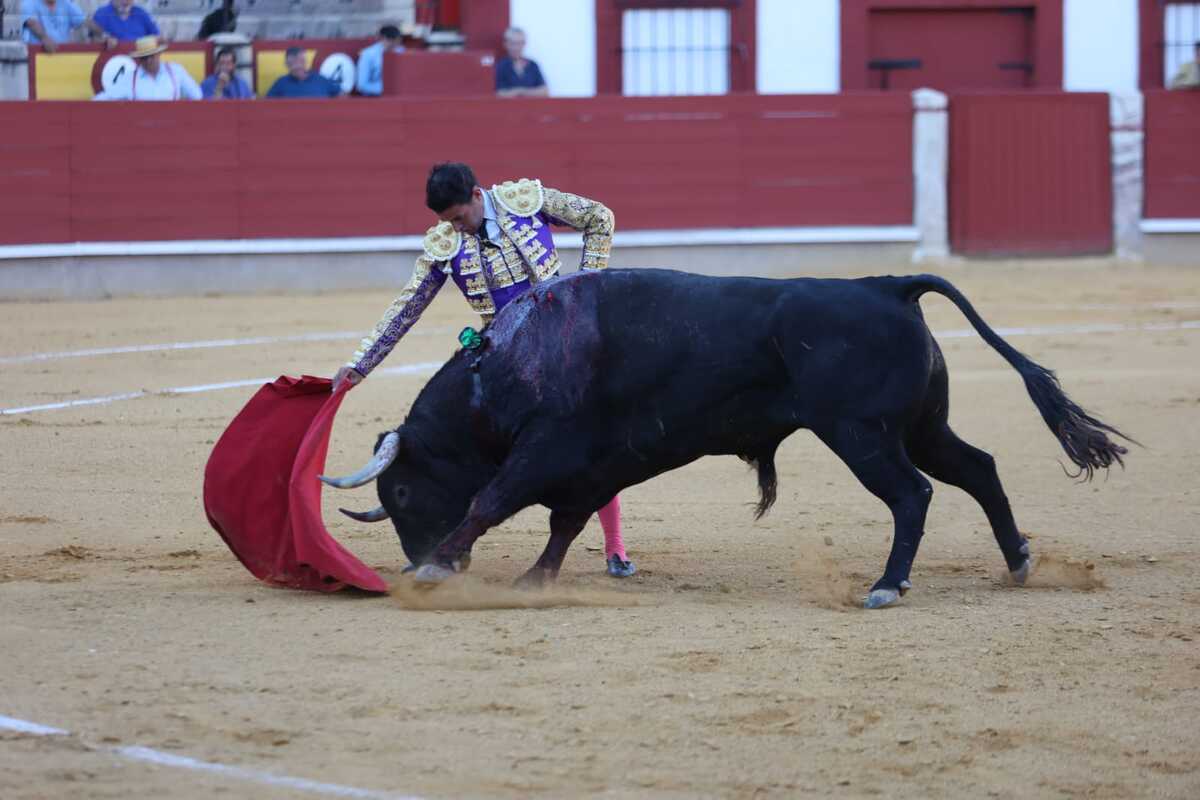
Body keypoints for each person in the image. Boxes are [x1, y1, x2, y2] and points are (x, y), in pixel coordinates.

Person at [331, 163, 635, 577]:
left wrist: (586, 287)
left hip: (564, 343)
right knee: (464, 440)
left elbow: (600, 218)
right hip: (505, 353)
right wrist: (359, 365)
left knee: (587, 440)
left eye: (459, 218)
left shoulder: (525, 202)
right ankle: (445, 543)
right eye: (447, 222)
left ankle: (615, 545)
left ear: (477, 195)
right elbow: (407, 307)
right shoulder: (446, 243)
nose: (457, 229)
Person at [93, 35, 202, 101]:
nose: (148, 60)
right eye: (144, 58)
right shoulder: (130, 78)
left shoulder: (176, 71)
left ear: (159, 54)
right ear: (139, 59)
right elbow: (105, 97)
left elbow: (197, 95)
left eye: (151, 56)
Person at [20, 0, 112, 51]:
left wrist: (104, 35)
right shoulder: (29, 2)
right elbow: (32, 23)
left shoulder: (65, 3)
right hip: (37, 55)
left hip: (62, 54)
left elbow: (85, 22)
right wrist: (45, 38)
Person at [266, 47, 342, 98]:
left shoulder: (321, 80)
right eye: (293, 63)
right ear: (287, 65)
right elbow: (267, 105)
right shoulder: (281, 83)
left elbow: (342, 96)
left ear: (305, 62)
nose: (298, 65)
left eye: (301, 61)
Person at [494, 26, 548, 98]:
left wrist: (520, 91)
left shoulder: (532, 65)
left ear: (524, 44)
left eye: (520, 43)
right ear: (506, 44)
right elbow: (498, 93)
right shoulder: (500, 66)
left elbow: (544, 91)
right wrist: (525, 92)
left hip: (532, 108)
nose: (516, 47)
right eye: (513, 43)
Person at [356, 24, 403, 97]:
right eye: (392, 41)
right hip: (373, 98)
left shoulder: (401, 51)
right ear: (383, 39)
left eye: (397, 42)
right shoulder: (368, 54)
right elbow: (361, 85)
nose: (395, 45)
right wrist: (386, 89)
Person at [91, 0, 159, 42]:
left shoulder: (141, 13)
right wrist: (105, 41)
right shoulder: (102, 14)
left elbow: (156, 36)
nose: (125, 2)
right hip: (113, 59)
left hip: (141, 58)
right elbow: (94, 40)